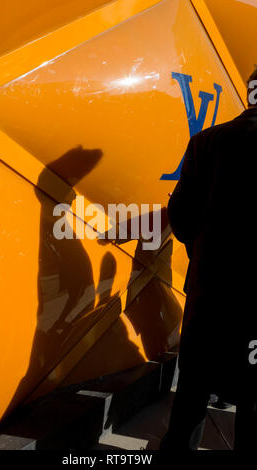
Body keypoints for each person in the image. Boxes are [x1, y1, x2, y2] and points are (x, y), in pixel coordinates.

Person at [160, 68, 257, 450]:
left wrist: (205, 254)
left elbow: (180, 217)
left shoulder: (205, 142)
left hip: (209, 291)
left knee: (192, 393)